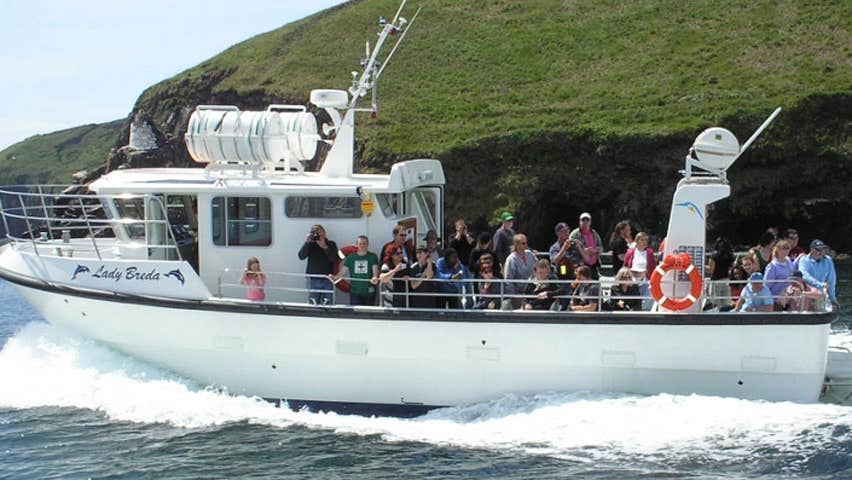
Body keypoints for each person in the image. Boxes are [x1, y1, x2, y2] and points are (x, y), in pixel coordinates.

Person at [332, 235, 380, 306]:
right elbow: (342, 272)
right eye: (360, 244)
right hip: (355, 292)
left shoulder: (372, 256)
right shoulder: (351, 258)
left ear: (368, 245)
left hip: (369, 292)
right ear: (356, 245)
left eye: (364, 243)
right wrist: (334, 277)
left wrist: (375, 278)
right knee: (355, 314)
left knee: (368, 313)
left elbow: (375, 270)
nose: (362, 245)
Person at [297, 224, 339, 305]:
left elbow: (334, 259)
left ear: (324, 233)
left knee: (329, 304)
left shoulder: (331, 244)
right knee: (313, 304)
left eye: (320, 232)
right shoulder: (310, 245)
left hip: (327, 279)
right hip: (313, 279)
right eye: (315, 233)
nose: (318, 235)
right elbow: (301, 256)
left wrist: (325, 247)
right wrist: (307, 242)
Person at [797, 239, 839, 309]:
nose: (821, 252)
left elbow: (831, 280)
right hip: (807, 291)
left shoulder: (828, 260)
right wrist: (819, 284)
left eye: (822, 249)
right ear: (811, 250)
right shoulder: (803, 260)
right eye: (818, 250)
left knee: (826, 306)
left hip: (821, 292)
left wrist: (833, 298)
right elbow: (804, 275)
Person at [503, 233, 537, 309]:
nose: (526, 245)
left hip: (532, 291)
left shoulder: (530, 255)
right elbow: (508, 279)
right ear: (517, 245)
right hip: (518, 293)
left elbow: (537, 267)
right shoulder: (511, 259)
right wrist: (513, 296)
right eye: (523, 243)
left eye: (526, 243)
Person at [623, 232, 656, 308]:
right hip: (633, 280)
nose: (644, 242)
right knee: (633, 301)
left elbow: (653, 267)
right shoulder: (630, 252)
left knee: (647, 300)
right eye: (642, 240)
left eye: (646, 240)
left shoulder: (649, 252)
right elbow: (625, 266)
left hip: (645, 280)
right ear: (637, 241)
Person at [568, 212, 603, 278]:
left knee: (595, 286)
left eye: (587, 221)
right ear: (579, 222)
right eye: (583, 220)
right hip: (581, 266)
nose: (585, 222)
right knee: (581, 286)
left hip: (594, 266)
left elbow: (601, 247)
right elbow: (570, 247)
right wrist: (584, 250)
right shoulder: (574, 234)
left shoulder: (594, 233)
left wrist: (595, 250)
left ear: (590, 222)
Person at [706, 237, 734, 307]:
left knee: (715, 305)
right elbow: (731, 268)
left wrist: (701, 265)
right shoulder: (730, 256)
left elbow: (710, 270)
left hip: (716, 282)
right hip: (726, 281)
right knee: (726, 306)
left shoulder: (714, 256)